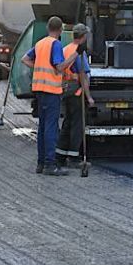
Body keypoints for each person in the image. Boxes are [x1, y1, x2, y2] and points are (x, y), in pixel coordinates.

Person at [21, 16, 81, 175]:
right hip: (51, 91)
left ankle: (41, 164)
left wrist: (39, 68)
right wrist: (74, 55)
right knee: (51, 128)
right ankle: (50, 164)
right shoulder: (56, 44)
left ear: (48, 28)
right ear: (60, 30)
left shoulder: (40, 43)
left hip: (39, 90)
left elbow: (25, 59)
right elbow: (59, 67)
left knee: (42, 127)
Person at [56, 24, 95, 168]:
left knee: (67, 123)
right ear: (83, 37)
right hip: (76, 91)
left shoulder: (66, 49)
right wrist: (89, 97)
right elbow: (82, 75)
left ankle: (60, 155)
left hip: (66, 89)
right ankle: (73, 157)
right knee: (77, 125)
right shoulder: (78, 52)